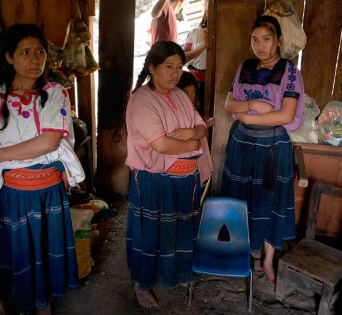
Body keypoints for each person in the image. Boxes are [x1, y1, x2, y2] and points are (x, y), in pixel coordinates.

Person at [0, 24, 85, 315]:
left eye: (40, 52)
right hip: (10, 196)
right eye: (25, 52)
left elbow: (48, 142)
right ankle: (21, 305)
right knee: (19, 255)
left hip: (47, 193)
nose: (34, 59)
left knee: (45, 253)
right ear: (9, 57)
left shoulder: (55, 92)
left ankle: (43, 305)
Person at [221, 15, 305, 286]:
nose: (260, 45)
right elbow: (228, 104)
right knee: (241, 198)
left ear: (279, 41)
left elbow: (285, 115)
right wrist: (254, 105)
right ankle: (242, 253)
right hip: (242, 144)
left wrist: (247, 115)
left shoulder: (290, 71)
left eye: (266, 39)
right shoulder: (245, 66)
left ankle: (267, 259)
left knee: (271, 201)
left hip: (273, 147)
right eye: (255, 39)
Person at [125, 40, 207, 308]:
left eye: (179, 67)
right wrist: (193, 142)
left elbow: (201, 127)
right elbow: (160, 144)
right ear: (152, 67)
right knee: (151, 234)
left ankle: (175, 273)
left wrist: (189, 134)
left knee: (180, 229)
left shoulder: (180, 95)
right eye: (168, 67)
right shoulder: (142, 100)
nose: (175, 73)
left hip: (185, 179)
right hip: (155, 180)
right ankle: (143, 284)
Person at [177, 70, 214, 188]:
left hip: (193, 162)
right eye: (185, 93)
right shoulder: (172, 112)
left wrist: (205, 125)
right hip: (181, 164)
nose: (190, 97)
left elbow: (199, 127)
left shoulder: (192, 110)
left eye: (193, 93)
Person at [183, 6, 208, 116]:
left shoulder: (226, 33)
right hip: (196, 81)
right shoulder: (195, 33)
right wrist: (203, 47)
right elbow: (183, 57)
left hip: (217, 83)